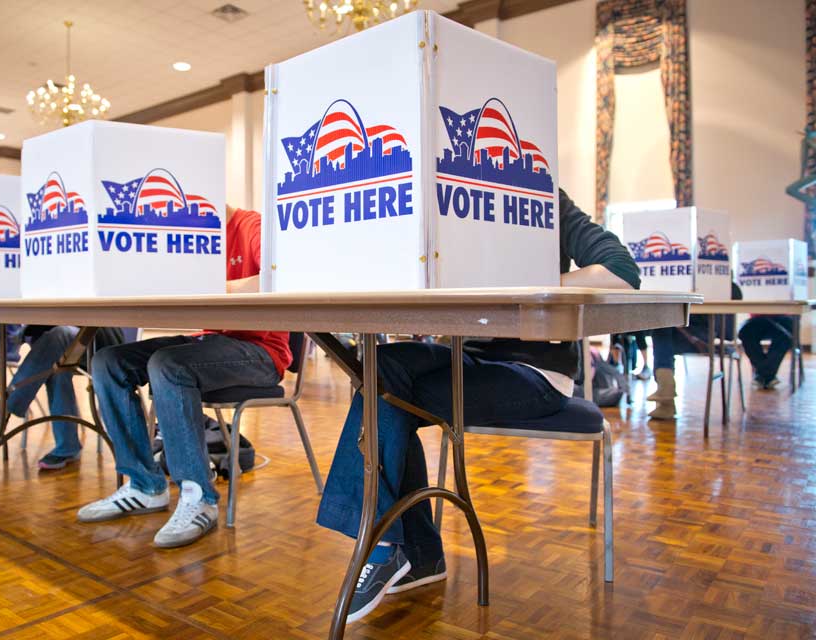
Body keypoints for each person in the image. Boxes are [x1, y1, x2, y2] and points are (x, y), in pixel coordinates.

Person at [315, 188, 640, 623]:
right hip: (469, 359)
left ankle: (387, 546)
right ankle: (414, 555)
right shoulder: (447, 193)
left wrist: (525, 287)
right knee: (383, 373)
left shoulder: (541, 195)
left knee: (389, 394)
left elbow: (622, 272)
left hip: (538, 373)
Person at [76, 206, 290, 549]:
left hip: (261, 351)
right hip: (210, 342)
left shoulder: (252, 226)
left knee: (168, 364)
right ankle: (145, 485)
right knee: (108, 362)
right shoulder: (186, 236)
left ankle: (198, 497)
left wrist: (211, 287)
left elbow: (281, 276)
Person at [0, 325, 125, 470]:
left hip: (99, 337)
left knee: (58, 336)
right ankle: (67, 445)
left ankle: (1, 411)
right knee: (54, 357)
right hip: (64, 344)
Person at [647, 282, 742, 420]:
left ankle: (666, 394)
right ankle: (665, 391)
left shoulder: (728, 288)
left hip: (709, 338)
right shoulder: (687, 282)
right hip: (690, 338)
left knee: (662, 332)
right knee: (662, 329)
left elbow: (727, 331)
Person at [738, 315, 793, 389]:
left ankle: (762, 375)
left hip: (784, 318)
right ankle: (767, 375)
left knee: (785, 336)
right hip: (757, 318)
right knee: (746, 333)